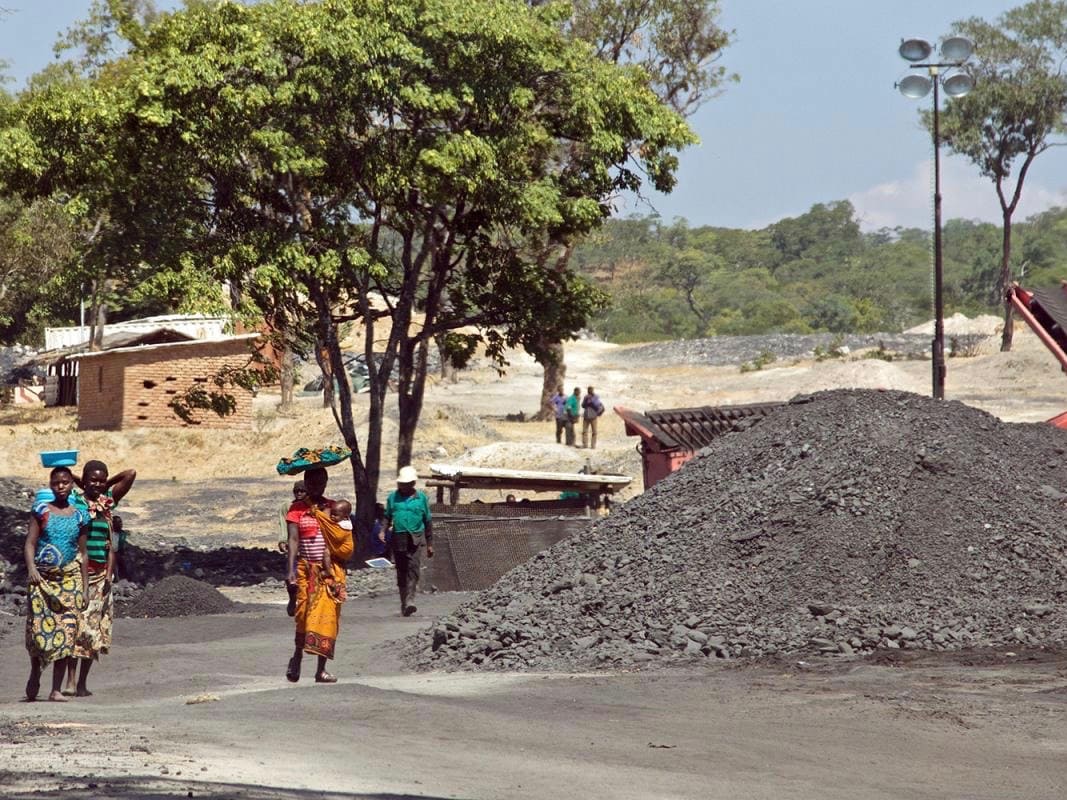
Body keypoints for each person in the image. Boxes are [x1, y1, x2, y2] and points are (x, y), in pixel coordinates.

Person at [66, 460, 136, 697]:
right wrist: (81, 481)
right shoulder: (74, 501)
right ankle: (70, 680)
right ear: (83, 481)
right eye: (92, 479)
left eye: (101, 480)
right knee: (76, 628)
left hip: (101, 575)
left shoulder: (108, 502)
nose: (97, 484)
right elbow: (65, 481)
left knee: (93, 630)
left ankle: (82, 683)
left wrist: (106, 484)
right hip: (77, 572)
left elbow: (130, 473)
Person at [24, 468, 90, 702]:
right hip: (43, 580)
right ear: (51, 486)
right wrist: (32, 569)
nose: (60, 486)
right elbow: (30, 544)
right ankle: (35, 670)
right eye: (55, 483)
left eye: (64, 482)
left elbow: (83, 553)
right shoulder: (41, 511)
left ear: (72, 484)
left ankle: (56, 689)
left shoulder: (81, 516)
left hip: (69, 580)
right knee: (38, 632)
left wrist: (85, 587)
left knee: (67, 632)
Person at [284, 466, 351, 684]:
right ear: (305, 483)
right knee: (303, 616)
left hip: (328, 573)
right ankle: (297, 658)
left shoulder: (334, 508)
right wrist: (291, 570)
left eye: (320, 483)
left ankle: (321, 670)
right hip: (306, 571)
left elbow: (342, 535)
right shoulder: (296, 509)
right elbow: (293, 541)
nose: (316, 487)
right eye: (312, 483)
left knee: (328, 619)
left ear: (326, 483)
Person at [382, 466, 433, 617]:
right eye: (401, 483)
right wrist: (381, 531)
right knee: (402, 571)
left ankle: (410, 600)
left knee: (414, 569)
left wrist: (430, 544)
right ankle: (404, 602)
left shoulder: (421, 498)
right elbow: (387, 517)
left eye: (405, 483)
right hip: (399, 538)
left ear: (412, 483)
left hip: (416, 538)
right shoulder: (393, 498)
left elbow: (428, 521)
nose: (402, 486)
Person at [581, 385, 605, 450]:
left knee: (594, 431)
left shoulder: (596, 397)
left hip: (593, 416)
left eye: (590, 390)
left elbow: (598, 406)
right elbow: (582, 405)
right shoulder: (586, 397)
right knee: (584, 431)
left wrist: (592, 402)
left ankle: (593, 445)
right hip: (586, 415)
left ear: (592, 390)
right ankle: (585, 444)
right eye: (588, 390)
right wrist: (586, 401)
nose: (589, 391)